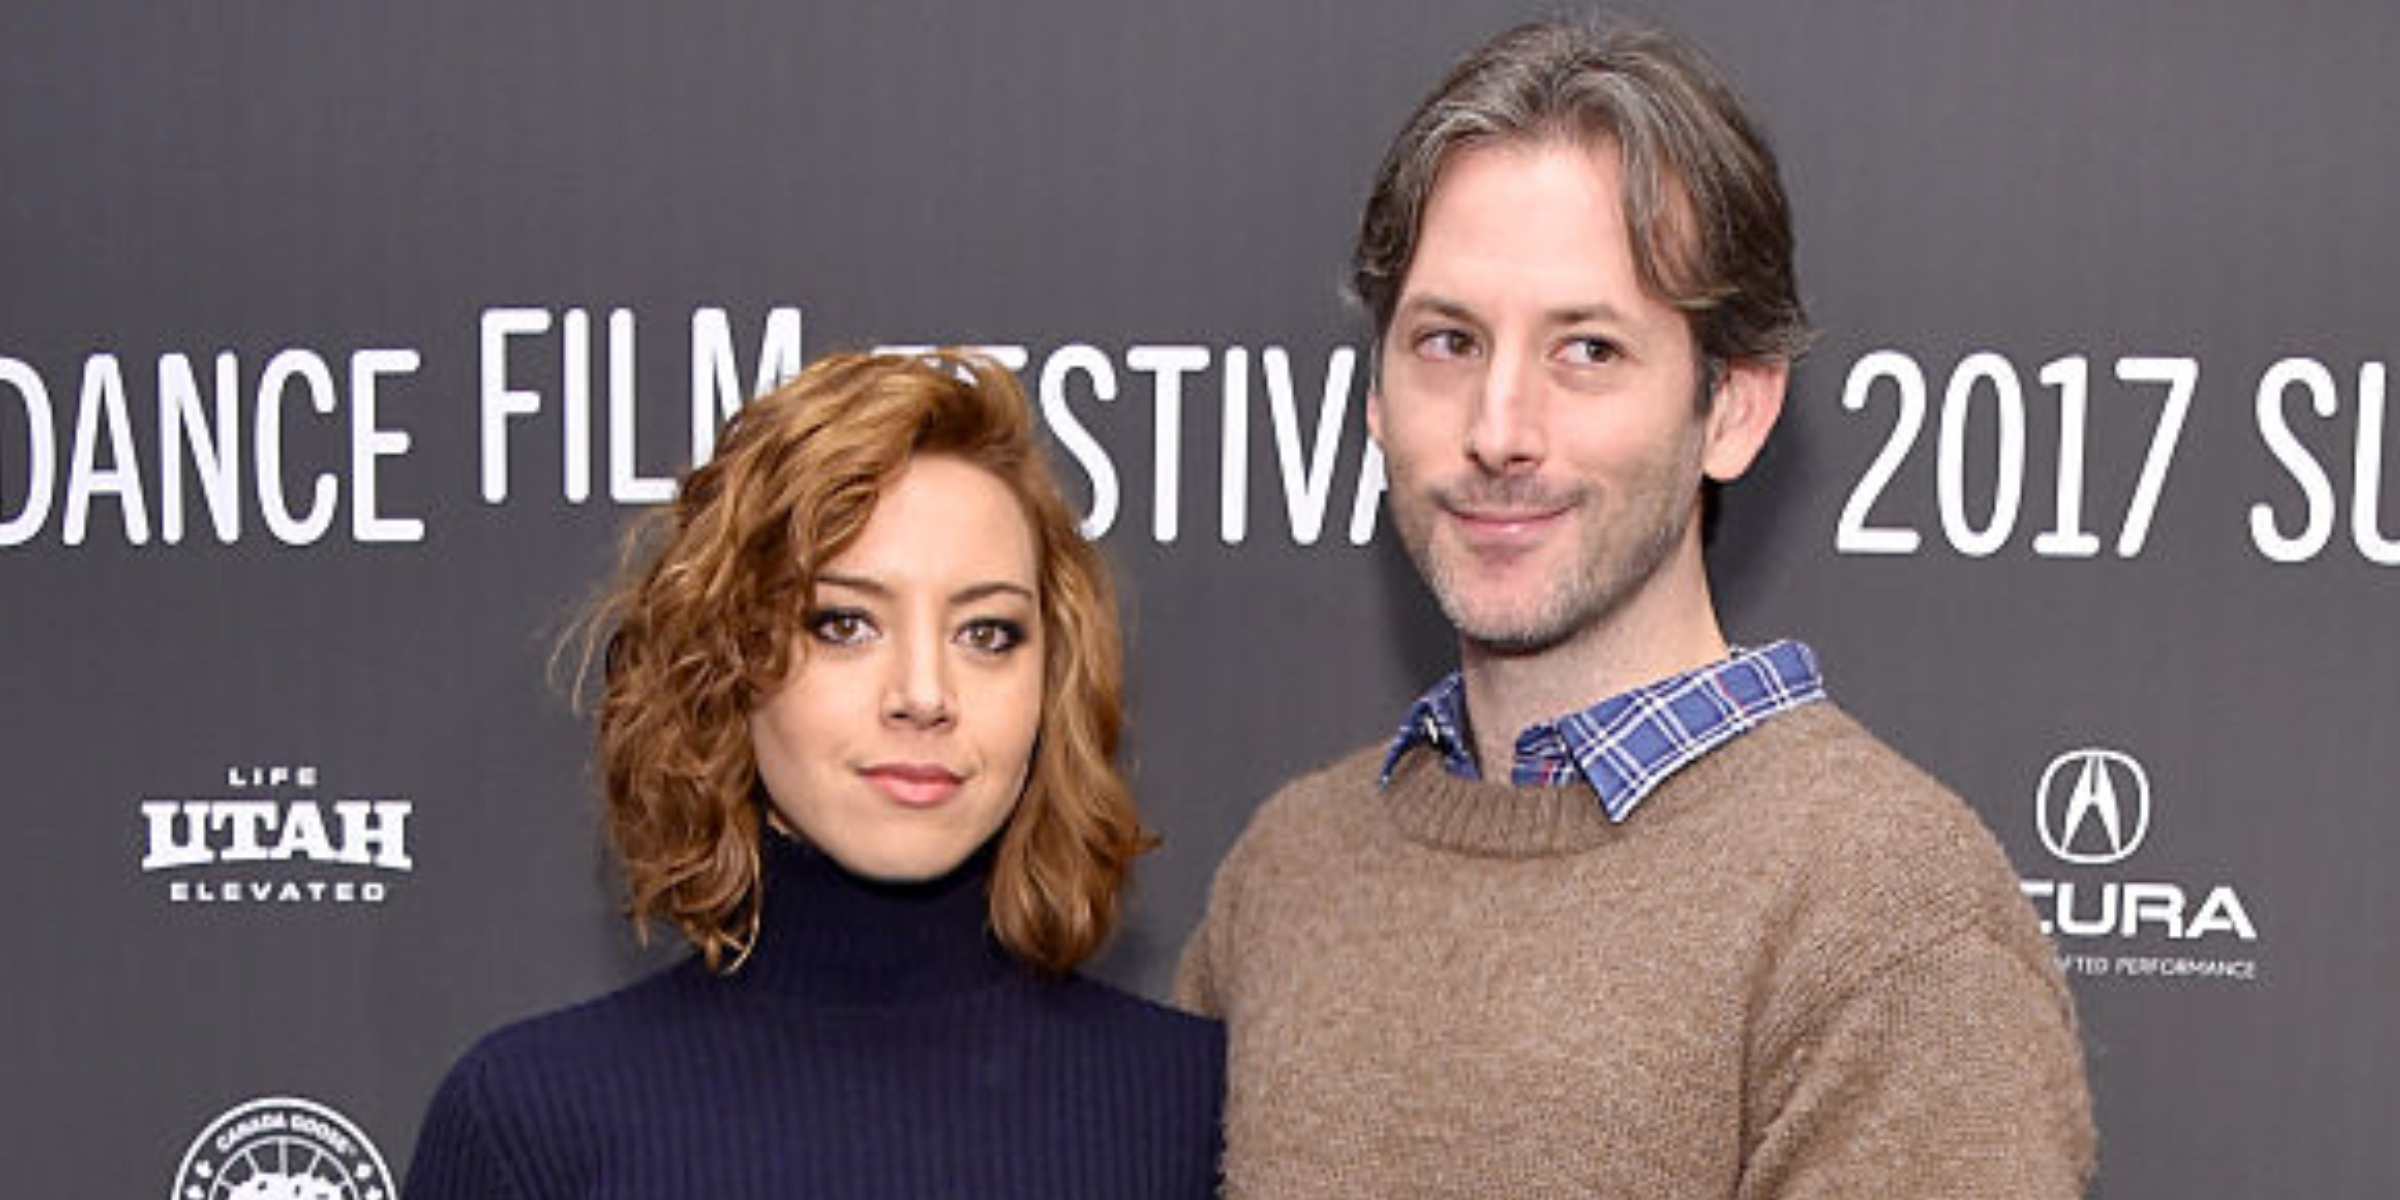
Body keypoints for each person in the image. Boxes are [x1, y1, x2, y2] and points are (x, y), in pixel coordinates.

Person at [1175, 16, 2093, 1199]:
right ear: (1376, 396)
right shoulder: (1289, 871)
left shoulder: (1887, 916)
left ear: (1736, 409)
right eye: (1448, 340)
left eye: (1589, 351)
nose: (1499, 429)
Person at [407, 351, 1223, 1200]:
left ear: (1052, 680)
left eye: (986, 633)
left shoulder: (1196, 1112)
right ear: (725, 660)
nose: (923, 695)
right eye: (844, 624)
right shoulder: (531, 1123)